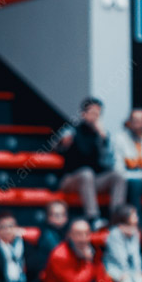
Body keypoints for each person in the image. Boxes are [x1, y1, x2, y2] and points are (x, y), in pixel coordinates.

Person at [55, 98, 126, 228]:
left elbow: (109, 163)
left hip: (93, 180)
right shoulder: (72, 130)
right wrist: (62, 143)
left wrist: (103, 140)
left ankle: (116, 218)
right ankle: (93, 218)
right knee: (86, 173)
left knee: (118, 176)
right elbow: (56, 145)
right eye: (92, 113)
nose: (95, 117)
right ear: (83, 114)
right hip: (70, 179)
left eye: (98, 114)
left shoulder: (102, 136)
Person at [31, 199, 70, 275]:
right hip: (50, 274)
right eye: (56, 215)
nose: (60, 218)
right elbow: (60, 256)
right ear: (48, 217)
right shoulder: (47, 234)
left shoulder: (68, 231)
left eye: (63, 214)